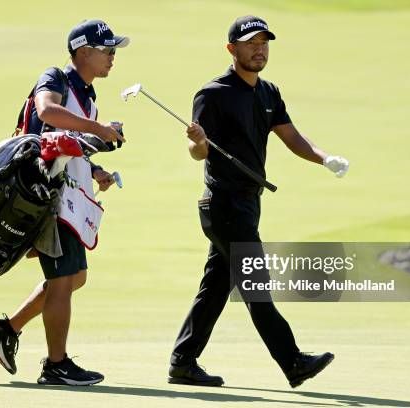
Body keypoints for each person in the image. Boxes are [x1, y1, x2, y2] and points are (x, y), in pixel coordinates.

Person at [168, 15, 349, 389]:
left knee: (216, 286)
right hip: (223, 204)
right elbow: (197, 151)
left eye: (264, 42)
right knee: (256, 285)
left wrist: (324, 158)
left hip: (248, 204)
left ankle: (183, 362)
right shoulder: (213, 93)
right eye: (251, 43)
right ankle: (293, 361)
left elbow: (291, 136)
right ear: (231, 49)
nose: (259, 49)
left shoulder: (268, 92)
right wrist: (199, 140)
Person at [0, 19, 129, 386]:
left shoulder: (88, 97)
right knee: (64, 278)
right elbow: (46, 113)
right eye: (107, 50)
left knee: (74, 277)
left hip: (69, 197)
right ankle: (56, 365)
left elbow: (66, 143)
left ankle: (7, 328)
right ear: (83, 52)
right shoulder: (56, 78)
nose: (113, 57)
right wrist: (98, 130)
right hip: (48, 197)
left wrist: (95, 171)